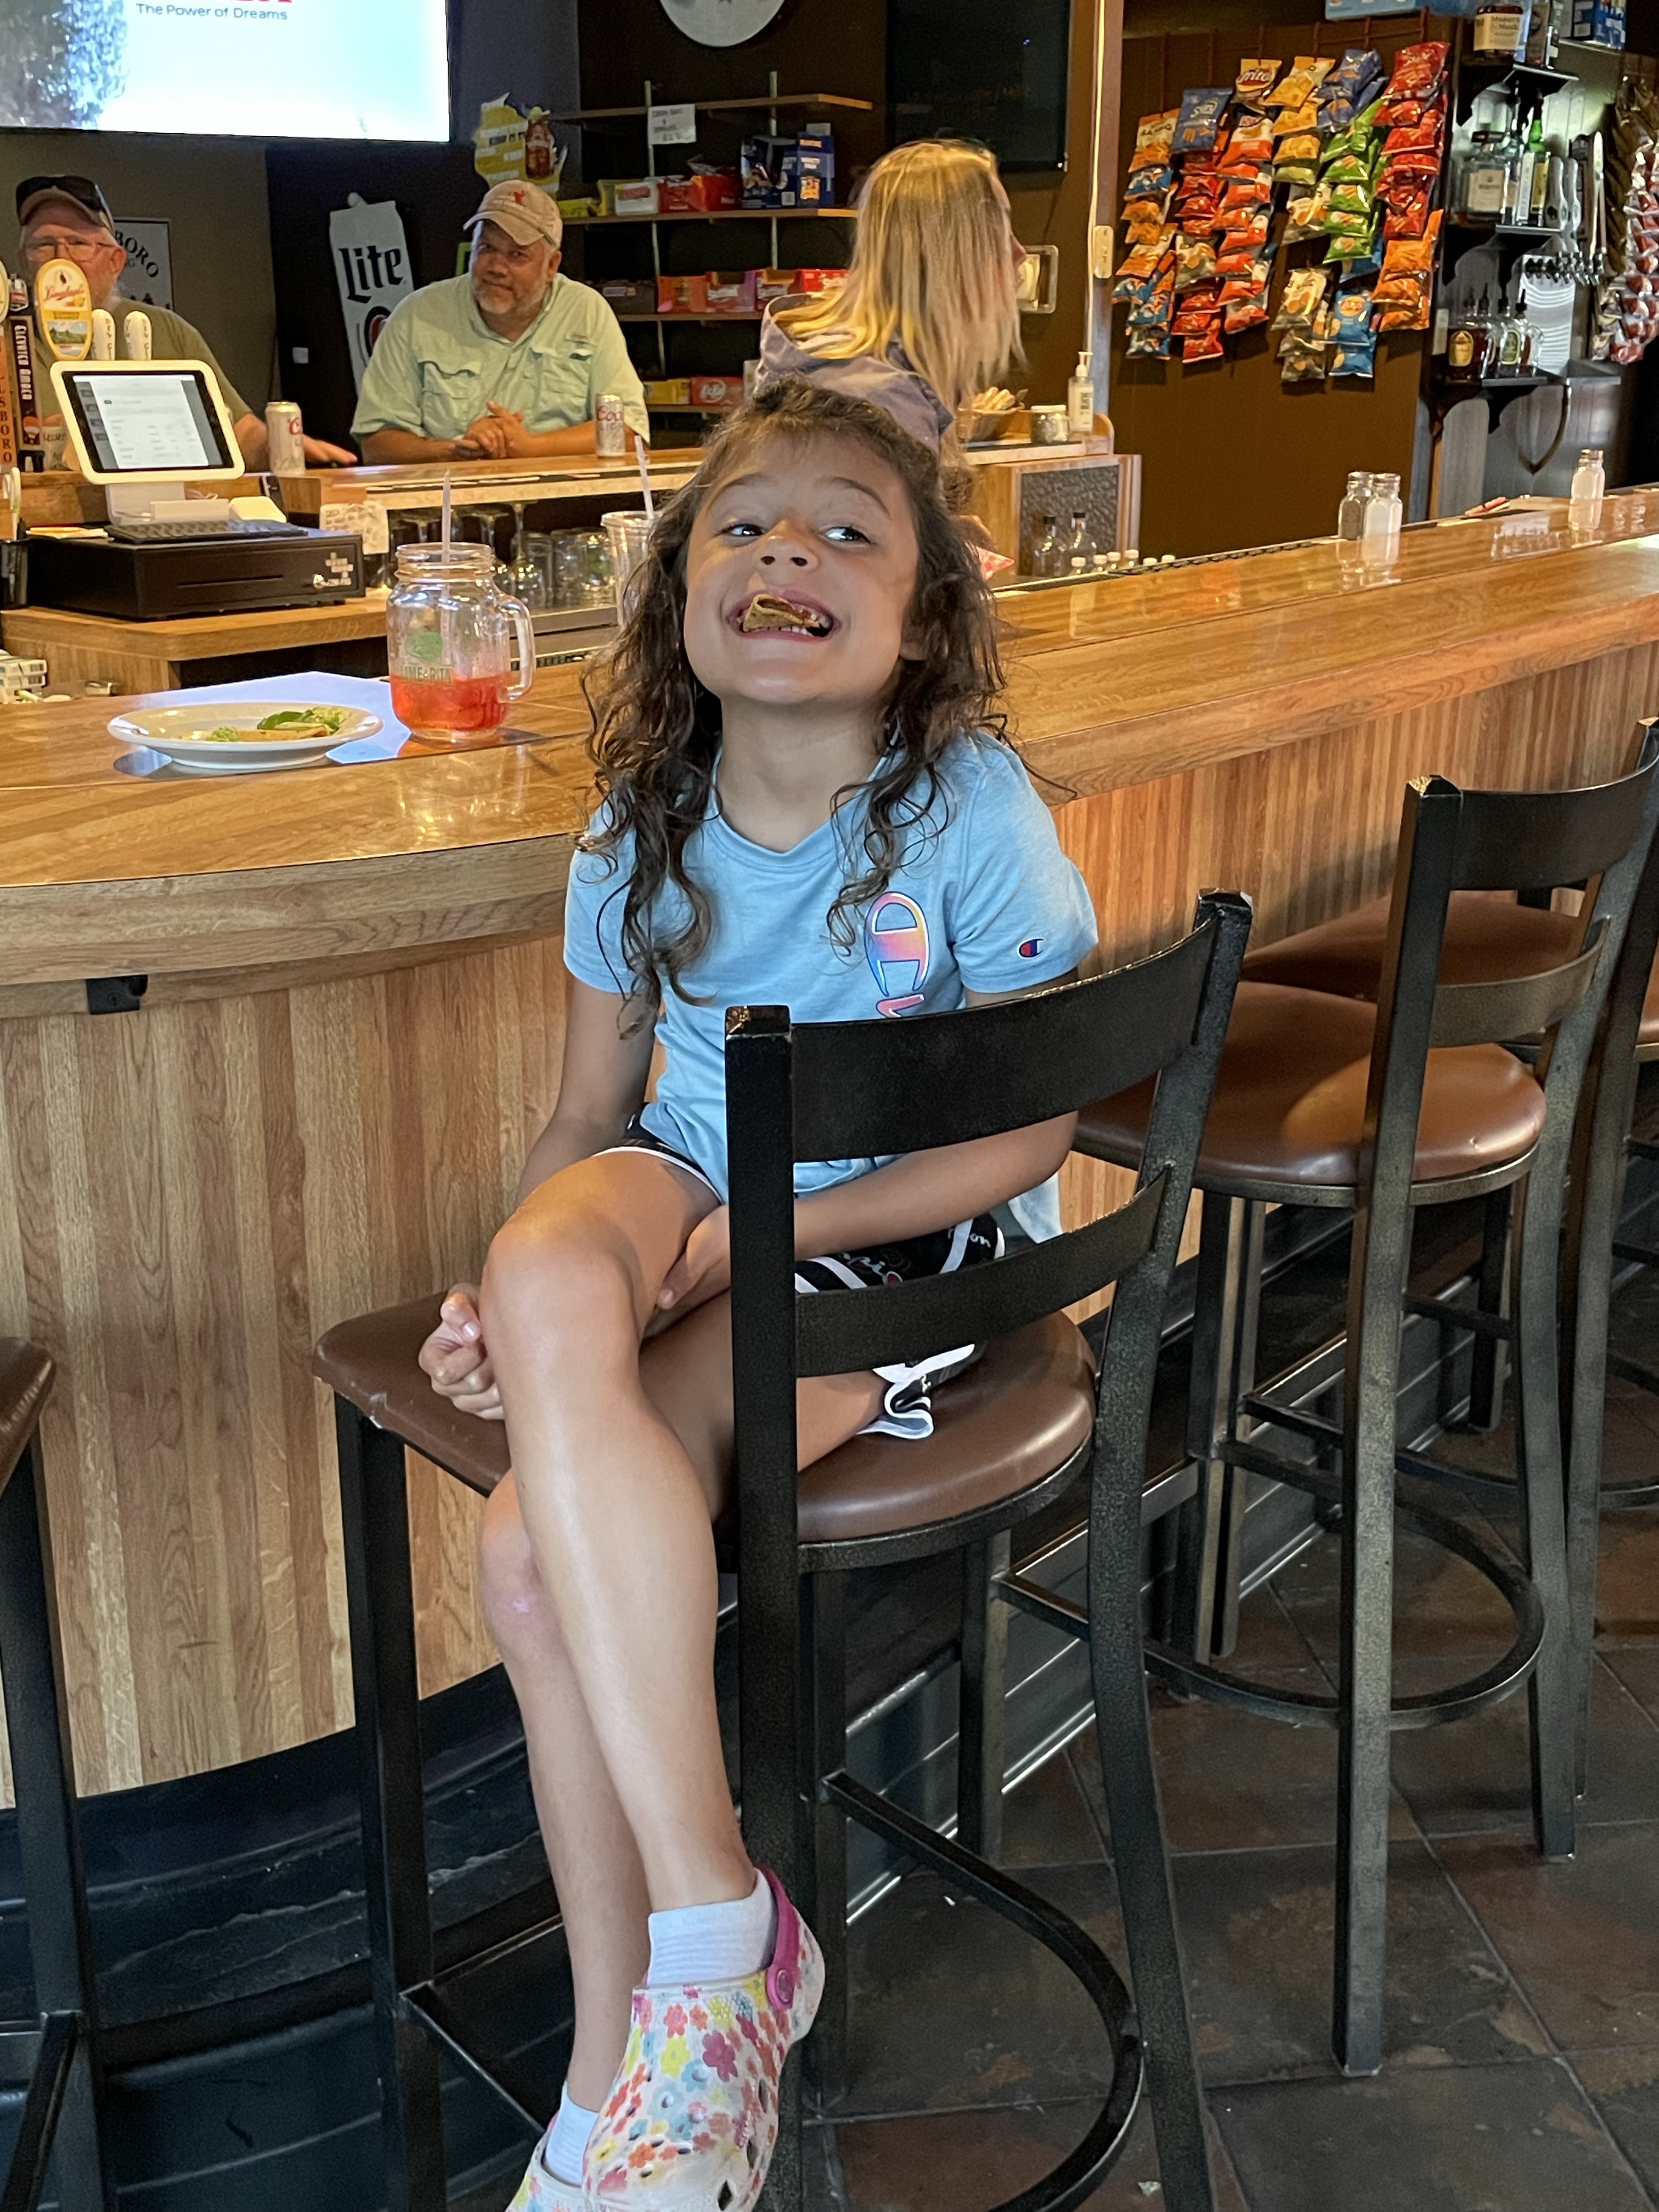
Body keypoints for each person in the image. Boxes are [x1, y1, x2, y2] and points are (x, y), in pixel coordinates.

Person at [416, 377, 1098, 2212]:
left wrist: (766, 1239)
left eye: (846, 531)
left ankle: (610, 2082)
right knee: (544, 1253)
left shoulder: (963, 809)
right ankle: (714, 1936)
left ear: (921, 621)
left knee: (522, 1560)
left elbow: (1029, 1124)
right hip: (695, 1181)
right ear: (678, 591)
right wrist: (509, 1306)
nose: (785, 546)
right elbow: (586, 1120)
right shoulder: (637, 822)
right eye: (742, 523)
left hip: (888, 1233)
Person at [14, 174, 356, 468]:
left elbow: (239, 433)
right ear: (23, 262)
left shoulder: (168, 331)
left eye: (78, 244)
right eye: (42, 245)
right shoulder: (9, 339)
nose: (61, 259)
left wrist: (279, 447)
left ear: (115, 262)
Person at [754, 139, 1028, 454]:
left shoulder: (872, 380)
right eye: (997, 232)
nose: (1019, 252)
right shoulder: (878, 405)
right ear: (944, 254)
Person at [352, 180, 648, 464]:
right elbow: (377, 446)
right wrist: (456, 450)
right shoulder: (418, 314)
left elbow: (629, 434)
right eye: (487, 248)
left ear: (551, 266)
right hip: (449, 495)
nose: (496, 267)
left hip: (562, 496)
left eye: (517, 255)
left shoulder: (586, 311)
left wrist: (528, 447)